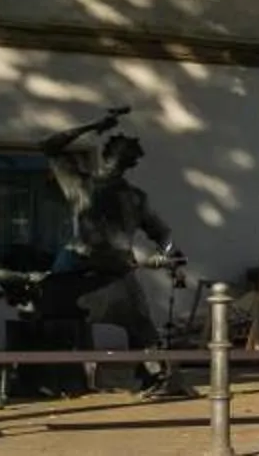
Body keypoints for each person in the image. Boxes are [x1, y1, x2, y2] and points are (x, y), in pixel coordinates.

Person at [37, 109, 178, 392]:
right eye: (116, 156)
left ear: (129, 164)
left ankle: (152, 376)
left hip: (115, 267)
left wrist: (172, 255)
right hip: (78, 264)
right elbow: (49, 146)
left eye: (124, 159)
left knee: (140, 323)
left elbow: (161, 232)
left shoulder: (134, 198)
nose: (118, 163)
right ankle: (50, 376)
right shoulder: (81, 185)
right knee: (52, 312)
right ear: (106, 154)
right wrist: (93, 124)